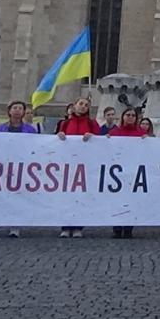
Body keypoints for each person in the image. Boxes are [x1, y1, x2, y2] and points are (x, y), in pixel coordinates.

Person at [56, 97, 98, 238]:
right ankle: (65, 226)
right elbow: (55, 141)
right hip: (67, 165)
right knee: (66, 196)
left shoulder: (92, 123)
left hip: (86, 165)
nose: (83, 107)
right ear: (74, 106)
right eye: (80, 104)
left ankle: (78, 227)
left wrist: (93, 136)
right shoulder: (65, 123)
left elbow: (101, 141)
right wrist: (60, 136)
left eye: (86, 105)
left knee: (82, 197)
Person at [107, 108, 148, 238]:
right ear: (123, 117)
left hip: (134, 171)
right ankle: (117, 227)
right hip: (118, 172)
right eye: (128, 115)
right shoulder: (114, 132)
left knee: (132, 200)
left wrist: (148, 141)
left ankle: (129, 227)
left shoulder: (141, 133)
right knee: (117, 200)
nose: (130, 117)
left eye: (133, 115)